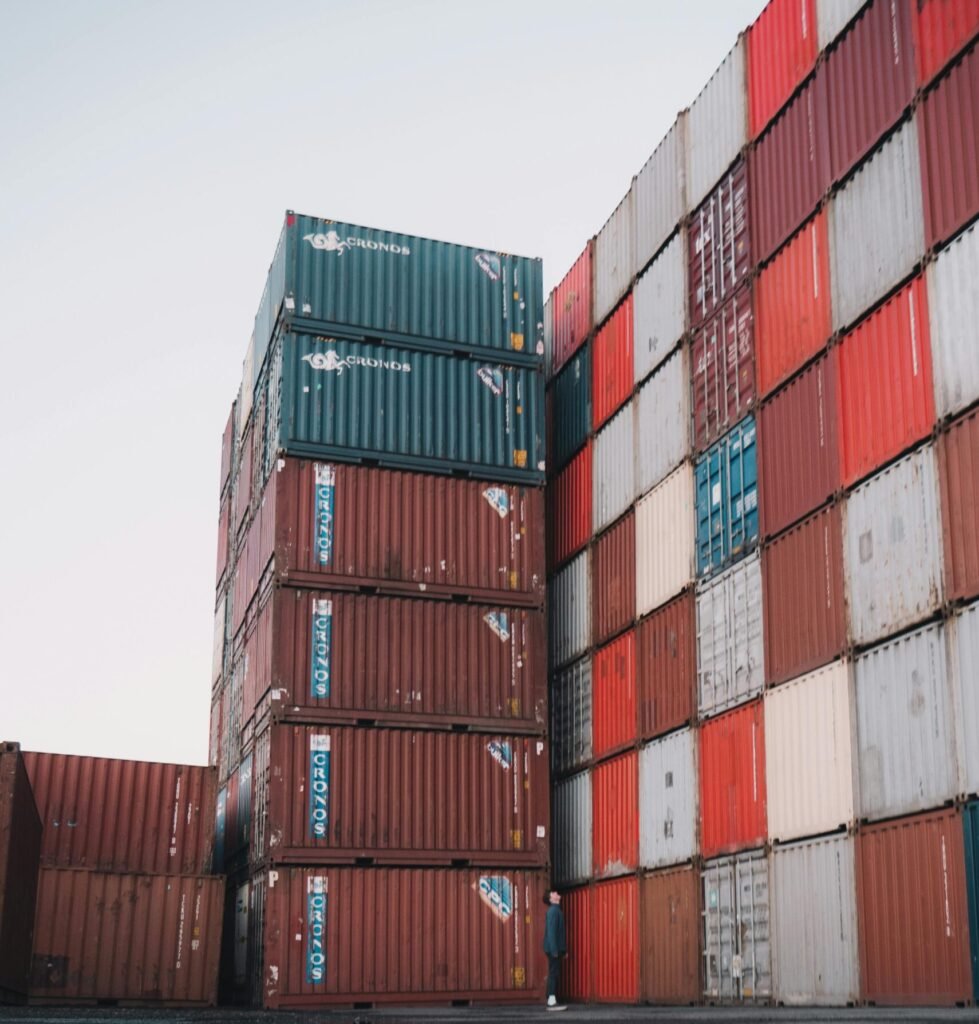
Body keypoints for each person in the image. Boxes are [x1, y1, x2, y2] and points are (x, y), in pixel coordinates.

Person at [542, 890, 567, 1010]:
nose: (557, 892)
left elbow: (558, 933)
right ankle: (551, 1000)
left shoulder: (556, 910)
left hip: (555, 948)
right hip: (553, 948)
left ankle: (550, 997)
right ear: (551, 899)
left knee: (554, 972)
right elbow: (551, 933)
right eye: (553, 893)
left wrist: (563, 950)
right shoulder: (553, 911)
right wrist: (554, 950)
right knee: (553, 973)